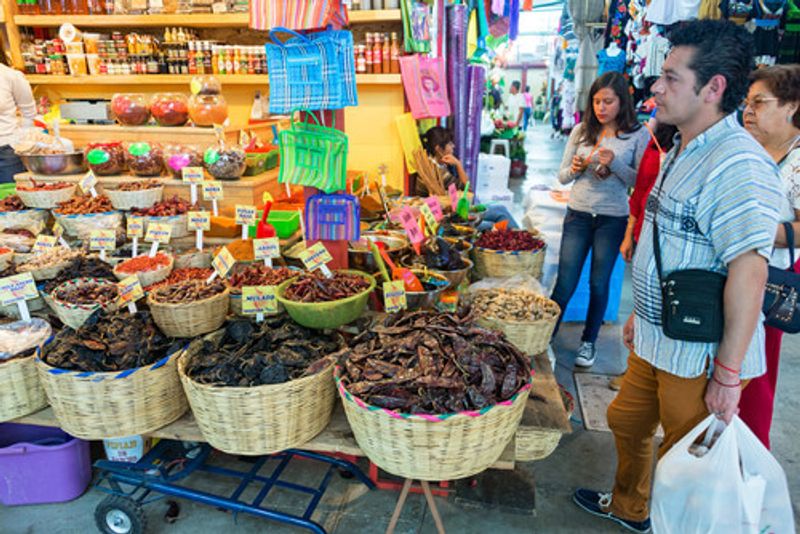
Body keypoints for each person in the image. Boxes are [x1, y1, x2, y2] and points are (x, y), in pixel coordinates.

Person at [572, 20, 783, 533]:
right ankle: (630, 508)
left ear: (713, 89)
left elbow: (749, 273)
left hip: (699, 351)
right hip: (657, 336)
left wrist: (728, 375)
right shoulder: (684, 144)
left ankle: (669, 523)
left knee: (686, 459)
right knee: (626, 420)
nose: (656, 87)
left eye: (670, 77)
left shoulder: (739, 165)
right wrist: (641, 318)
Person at [550, 71, 649, 368]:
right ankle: (545, 337)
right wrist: (578, 168)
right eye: (596, 101)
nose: (601, 107)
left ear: (622, 102)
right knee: (565, 282)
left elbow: (638, 181)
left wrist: (615, 163)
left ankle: (588, 342)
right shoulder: (581, 131)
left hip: (612, 218)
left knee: (598, 283)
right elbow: (563, 176)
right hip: (578, 213)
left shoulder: (638, 134)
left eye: (608, 101)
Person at [739, 64, 800, 449]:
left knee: (755, 375)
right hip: (730, 274)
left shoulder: (796, 163)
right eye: (746, 103)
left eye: (759, 102)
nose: (748, 111)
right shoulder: (746, 149)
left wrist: (759, 232)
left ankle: (746, 458)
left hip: (769, 283)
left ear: (792, 105)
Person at [606, 118, 677, 391]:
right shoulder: (655, 140)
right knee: (643, 307)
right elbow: (640, 192)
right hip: (645, 235)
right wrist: (630, 233)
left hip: (675, 246)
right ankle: (636, 370)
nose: (659, 91)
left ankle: (662, 376)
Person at [417, 126, 518, 231]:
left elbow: (465, 191)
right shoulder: (435, 171)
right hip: (446, 221)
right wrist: (458, 164)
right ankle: (521, 238)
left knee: (501, 210)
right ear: (438, 149)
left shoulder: (440, 164)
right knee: (494, 223)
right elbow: (468, 188)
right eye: (450, 144)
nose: (453, 146)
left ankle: (523, 237)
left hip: (454, 211)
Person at [0, 63, 35, 184]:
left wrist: (21, 142)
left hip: (6, 152)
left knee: (11, 199)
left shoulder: (9, 76)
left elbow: (29, 113)